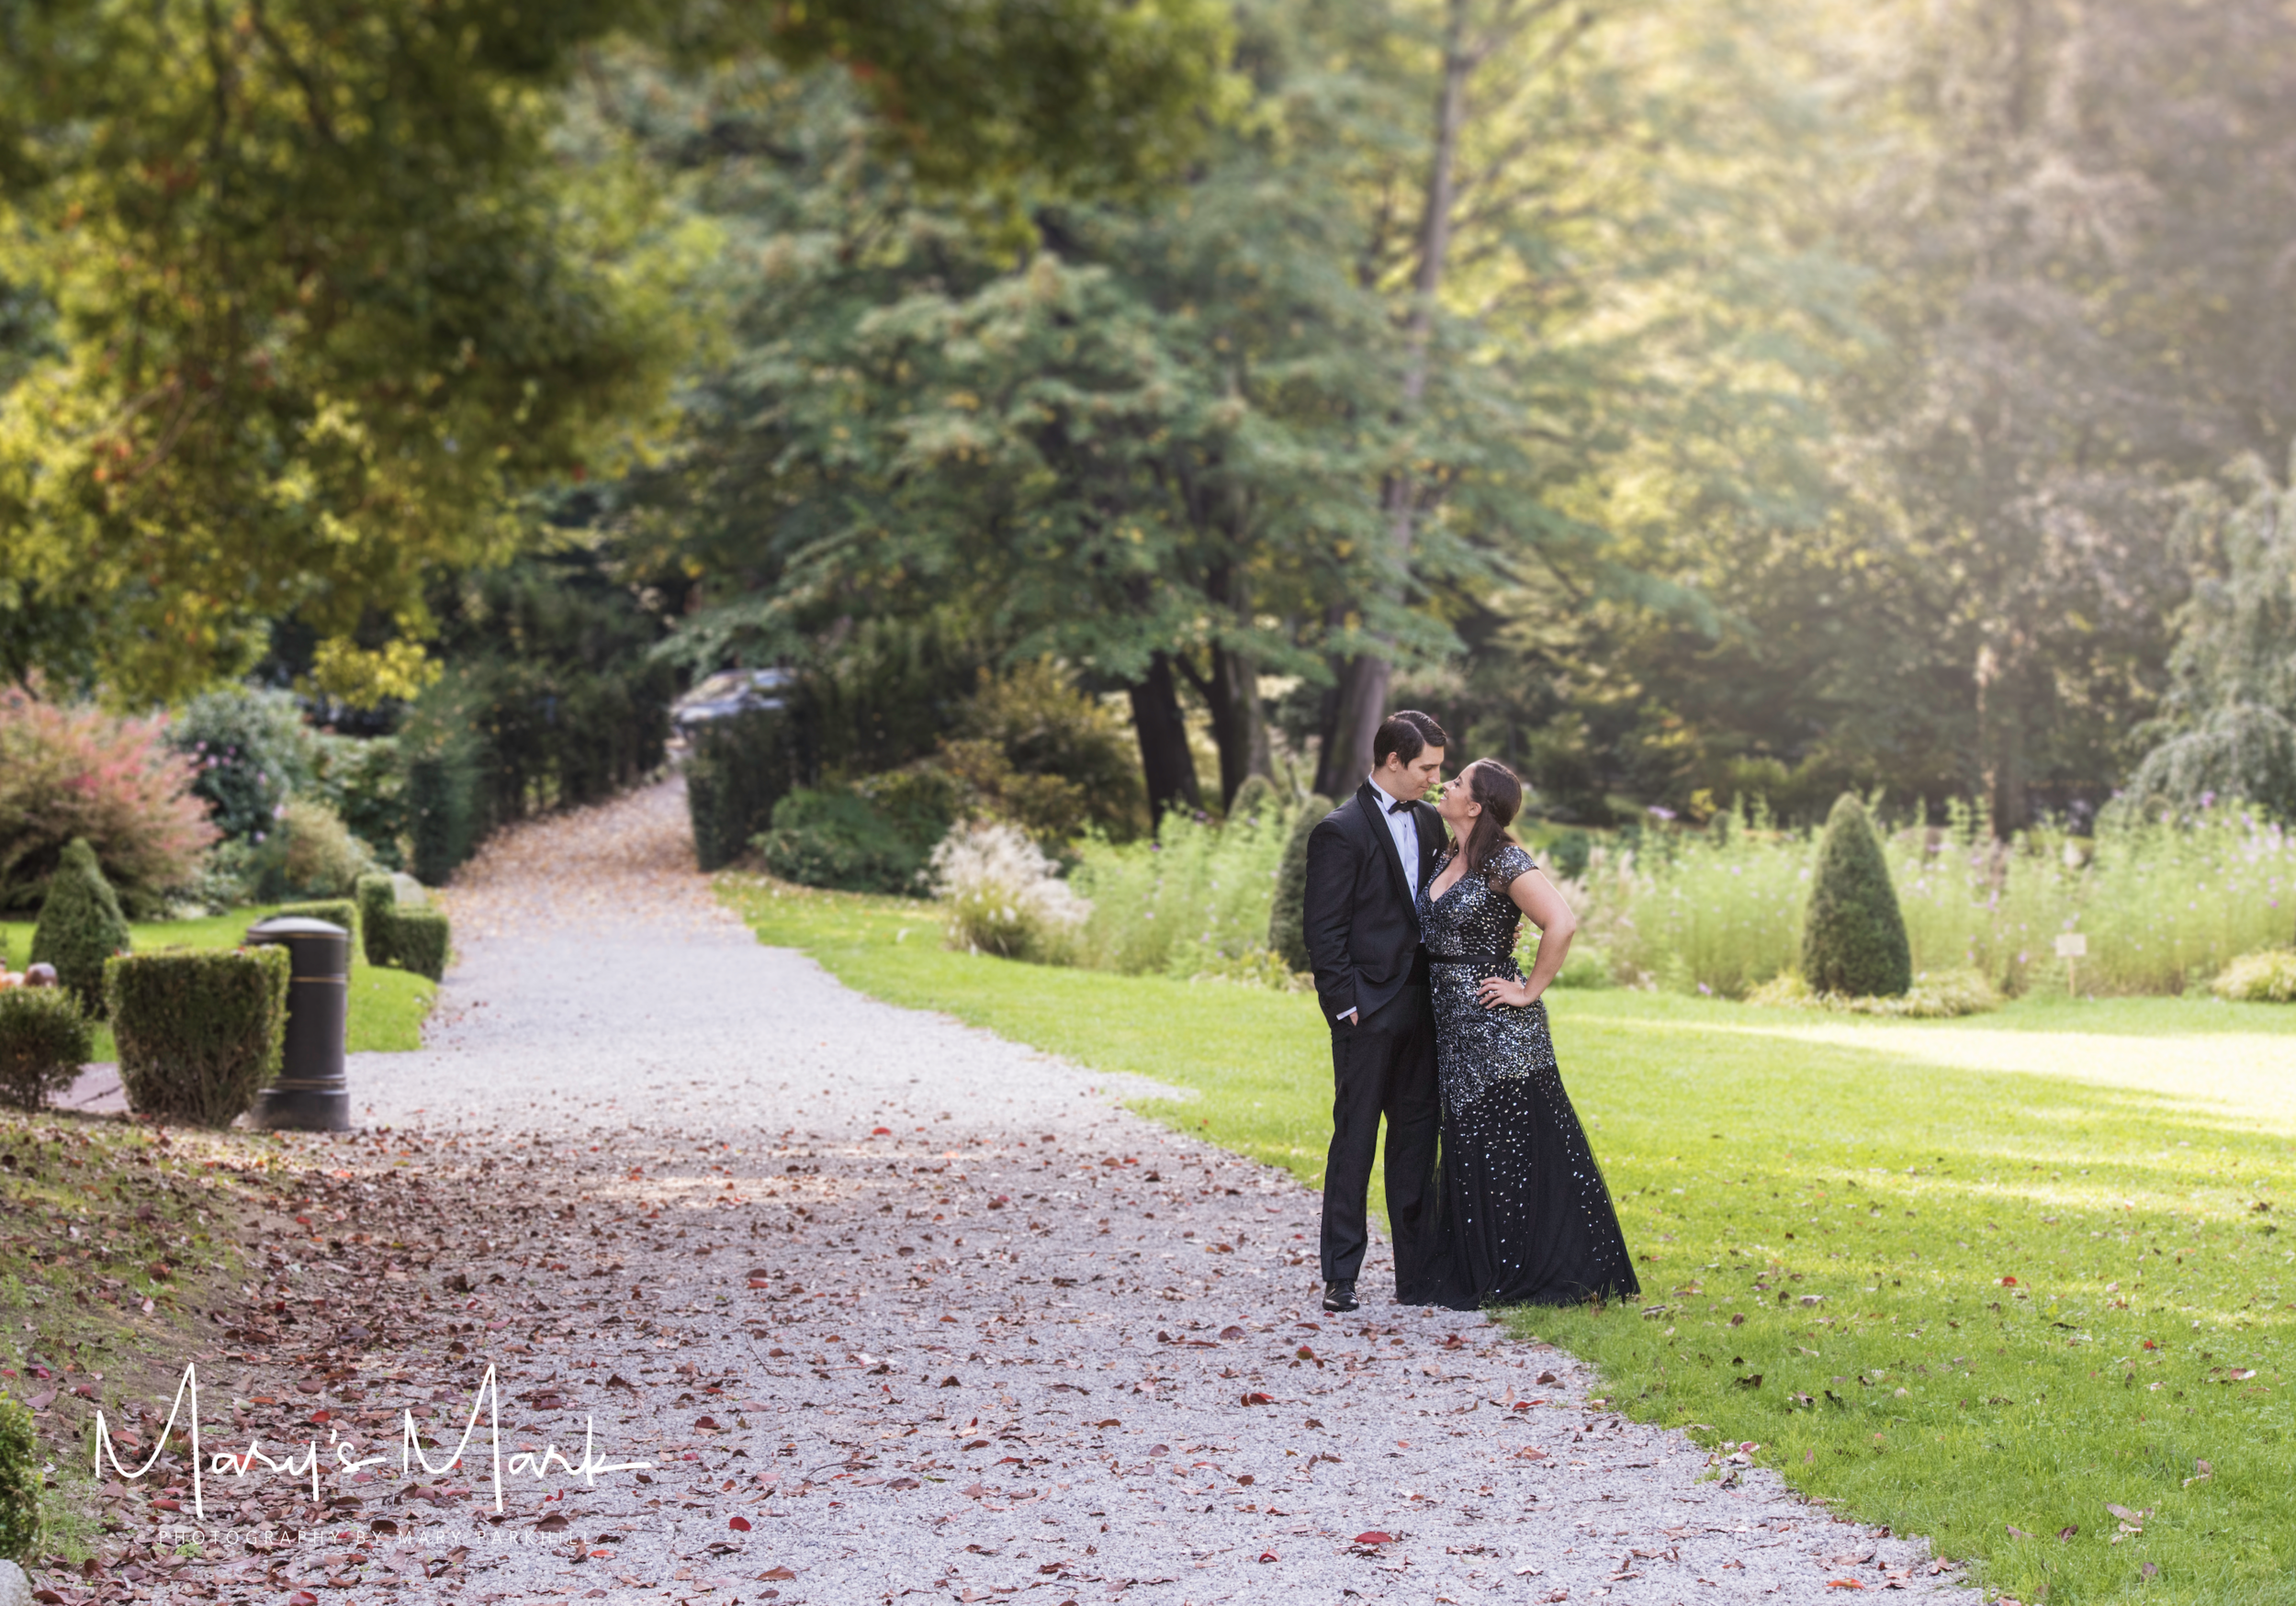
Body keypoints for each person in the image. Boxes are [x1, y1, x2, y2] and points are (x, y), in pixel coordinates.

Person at [1416, 758, 1638, 1310]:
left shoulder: (1504, 861)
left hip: (1499, 1025)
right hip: (1451, 1024)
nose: (1447, 785)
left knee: (1518, 1140)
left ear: (1474, 806)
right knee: (1475, 1141)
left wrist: (1528, 989)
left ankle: (1539, 1267)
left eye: (1458, 781)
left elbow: (1561, 922)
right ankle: (1484, 1262)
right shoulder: (1448, 853)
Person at [1301, 711, 1449, 1314]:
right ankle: (1341, 1274)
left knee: (1416, 1142)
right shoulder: (1339, 829)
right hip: (1367, 1009)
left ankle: (1415, 1273)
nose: (1436, 779)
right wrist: (1345, 1005)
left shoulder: (1434, 821)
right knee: (1355, 1140)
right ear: (1394, 761)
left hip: (1424, 1007)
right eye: (1427, 768)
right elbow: (1323, 928)